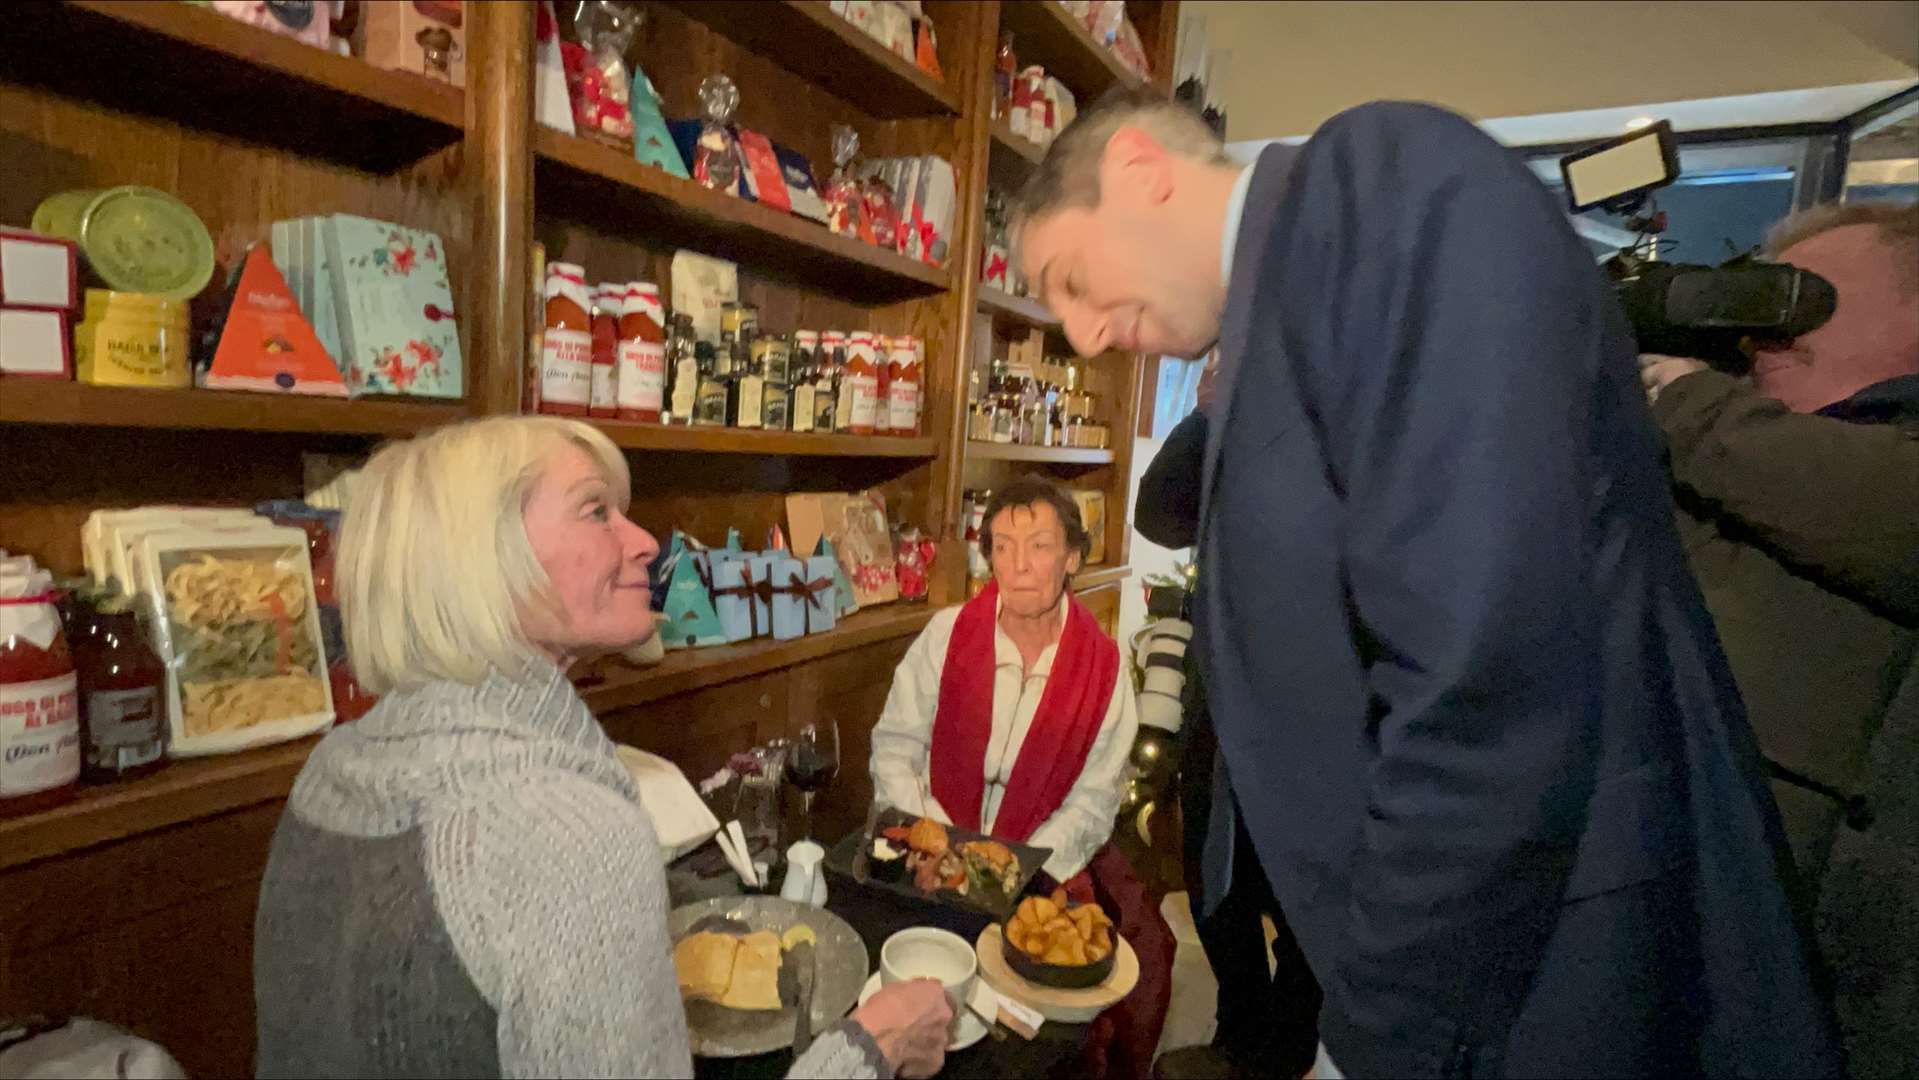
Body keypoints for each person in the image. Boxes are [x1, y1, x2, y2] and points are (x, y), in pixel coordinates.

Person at [1013, 92, 1840, 1077]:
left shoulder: (1382, 181)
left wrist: (1371, 1042)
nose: (1087, 336)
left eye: (1068, 281)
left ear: (1140, 174)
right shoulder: (1277, 313)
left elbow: (1486, 678)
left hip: (1533, 968)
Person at [253, 416, 953, 1079]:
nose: (645, 540)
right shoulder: (570, 833)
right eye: (596, 511)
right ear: (481, 559)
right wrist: (869, 1046)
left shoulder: (330, 769)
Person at [1640, 201, 1919, 1078]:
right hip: (1676, 952)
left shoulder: (1728, 439)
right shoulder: (1713, 459)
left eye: (1803, 300)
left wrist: (1681, 399)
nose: (1767, 331)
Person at [870, 476, 1169, 1078]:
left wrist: (1017, 869)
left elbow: (1094, 798)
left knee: (1037, 1048)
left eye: (1038, 545)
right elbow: (895, 746)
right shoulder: (947, 634)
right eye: (1002, 545)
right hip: (931, 857)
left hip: (1037, 872)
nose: (1018, 564)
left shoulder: (1103, 667)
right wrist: (942, 842)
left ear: (1072, 558)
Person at [1134, 403, 1323, 1080]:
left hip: (1319, 714)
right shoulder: (1243, 422)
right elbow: (1155, 512)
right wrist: (1226, 397)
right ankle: (1240, 1032)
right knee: (1212, 876)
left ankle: (1282, 1044)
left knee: (1307, 901)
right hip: (1222, 694)